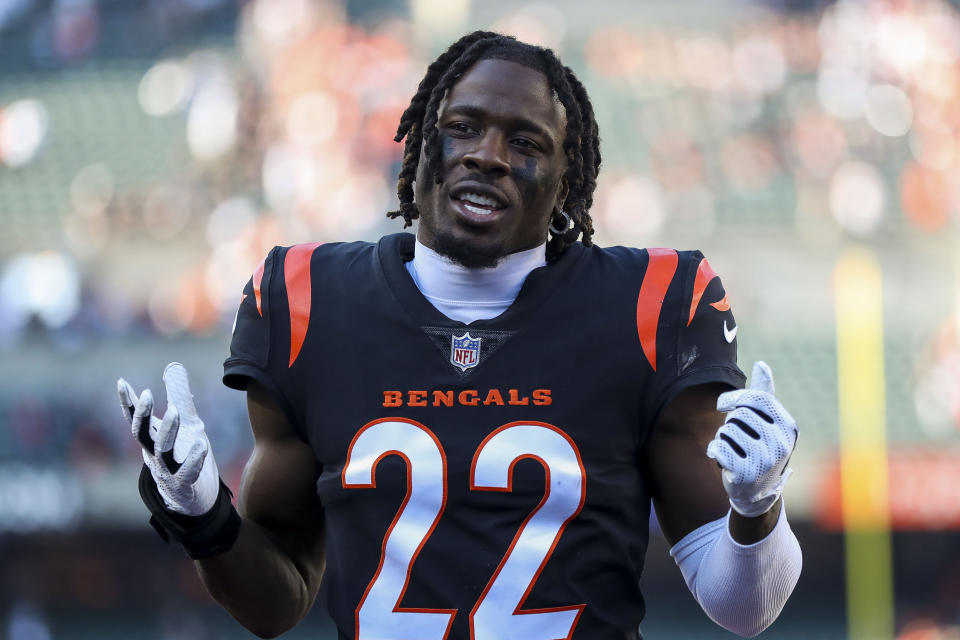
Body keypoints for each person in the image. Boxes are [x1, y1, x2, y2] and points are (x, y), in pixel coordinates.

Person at [117, 31, 801, 640]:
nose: (488, 156)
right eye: (462, 128)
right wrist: (200, 511)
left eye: (526, 142)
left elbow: (741, 608)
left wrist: (757, 510)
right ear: (419, 146)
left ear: (567, 181)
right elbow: (277, 604)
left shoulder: (650, 305)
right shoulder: (307, 299)